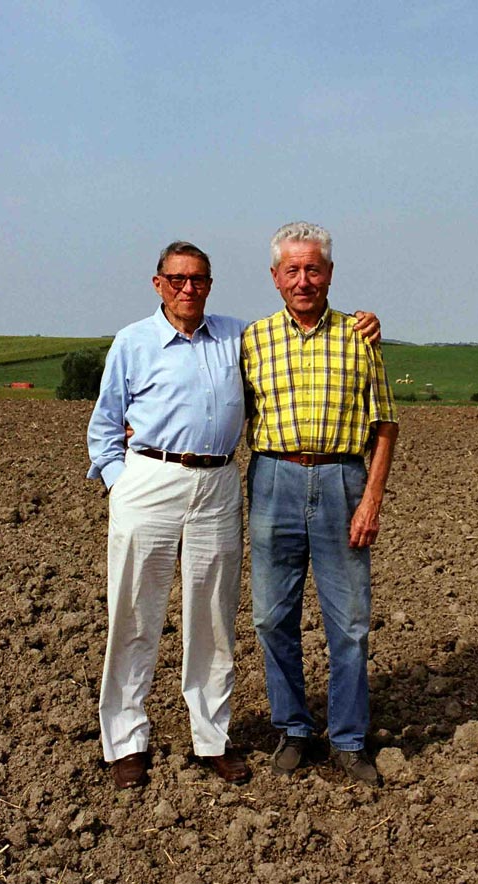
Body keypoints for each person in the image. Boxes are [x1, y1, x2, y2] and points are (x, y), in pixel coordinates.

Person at [86, 240, 380, 789]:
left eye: (198, 279)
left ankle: (212, 737)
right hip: (149, 479)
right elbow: (105, 426)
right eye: (177, 279)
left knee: (214, 616)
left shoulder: (236, 337)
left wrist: (366, 323)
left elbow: (300, 352)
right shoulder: (132, 342)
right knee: (134, 613)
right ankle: (126, 741)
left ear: (210, 284)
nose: (188, 289)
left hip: (218, 483)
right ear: (158, 284)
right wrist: (119, 482)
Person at [241, 222, 399, 786]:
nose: (303, 279)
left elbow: (385, 423)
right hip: (273, 478)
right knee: (270, 615)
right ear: (275, 277)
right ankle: (294, 728)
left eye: (313, 269)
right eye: (292, 270)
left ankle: (351, 739)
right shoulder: (252, 339)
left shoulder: (360, 336)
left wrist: (372, 498)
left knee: (350, 620)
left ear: (329, 273)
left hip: (341, 480)